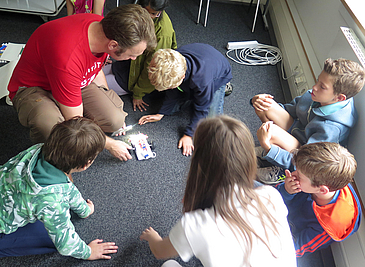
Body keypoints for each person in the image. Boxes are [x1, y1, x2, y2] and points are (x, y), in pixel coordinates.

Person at [140, 115, 296, 267]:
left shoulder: (195, 226)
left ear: (199, 163)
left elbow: (159, 252)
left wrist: (153, 238)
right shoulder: (271, 195)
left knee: (169, 264)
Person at [7, 4, 157, 162]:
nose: (133, 59)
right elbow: (76, 121)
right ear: (113, 45)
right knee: (54, 130)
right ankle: (51, 164)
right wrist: (110, 144)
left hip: (74, 79)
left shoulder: (103, 27)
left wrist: (106, 97)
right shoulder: (68, 57)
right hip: (35, 87)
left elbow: (95, 67)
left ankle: (66, 106)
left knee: (115, 119)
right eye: (132, 55)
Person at [0, 117, 118, 260]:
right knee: (52, 240)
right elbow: (66, 244)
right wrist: (88, 252)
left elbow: (68, 189)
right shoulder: (53, 200)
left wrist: (84, 210)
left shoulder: (36, 149)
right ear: (85, 165)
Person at [251, 58, 365, 183]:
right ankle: (274, 147)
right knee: (266, 106)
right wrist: (259, 100)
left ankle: (282, 169)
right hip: (299, 133)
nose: (314, 87)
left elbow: (309, 163)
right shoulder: (316, 96)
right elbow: (290, 110)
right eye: (318, 81)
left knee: (271, 132)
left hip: (305, 155)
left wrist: (270, 148)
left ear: (339, 97)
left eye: (322, 86)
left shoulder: (332, 129)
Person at [139, 44, 233, 156]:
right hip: (202, 64)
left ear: (182, 77)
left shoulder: (202, 81)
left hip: (218, 76)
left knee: (211, 122)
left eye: (170, 87)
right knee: (173, 105)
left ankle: (223, 87)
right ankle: (191, 93)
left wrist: (189, 135)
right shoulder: (171, 60)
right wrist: (161, 113)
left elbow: (202, 108)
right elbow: (172, 91)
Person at [276, 142, 361, 257]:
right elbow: (273, 196)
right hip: (279, 213)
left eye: (299, 176)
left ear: (322, 190)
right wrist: (287, 191)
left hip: (285, 234)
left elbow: (294, 248)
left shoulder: (329, 225)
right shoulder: (317, 181)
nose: (293, 174)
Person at [104, 0, 177, 112]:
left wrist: (138, 94)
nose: (147, 17)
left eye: (153, 14)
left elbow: (152, 69)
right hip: (125, 64)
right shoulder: (136, 14)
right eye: (145, 11)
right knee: (91, 73)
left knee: (89, 85)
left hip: (132, 79)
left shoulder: (163, 34)